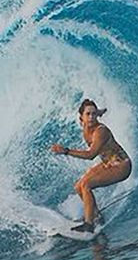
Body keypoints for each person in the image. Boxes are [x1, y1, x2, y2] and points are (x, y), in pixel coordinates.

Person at [51, 99, 132, 233]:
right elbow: (94, 113)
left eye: (94, 114)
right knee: (78, 187)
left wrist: (66, 151)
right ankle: (96, 216)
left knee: (86, 185)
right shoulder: (85, 124)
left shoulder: (100, 132)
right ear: (81, 117)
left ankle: (89, 225)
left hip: (121, 166)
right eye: (88, 114)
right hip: (108, 163)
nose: (91, 117)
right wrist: (101, 111)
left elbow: (91, 155)